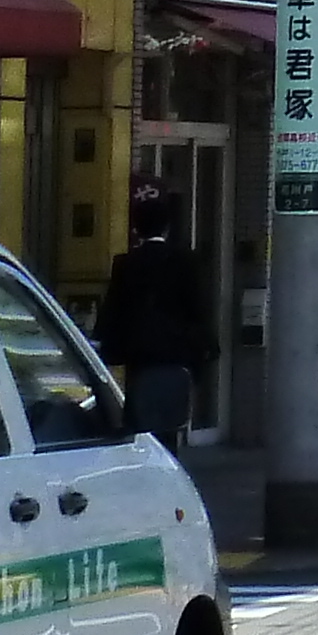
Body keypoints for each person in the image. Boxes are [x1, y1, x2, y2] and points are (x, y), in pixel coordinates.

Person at [96, 189, 214, 456]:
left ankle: (140, 455)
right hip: (176, 353)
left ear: (136, 228)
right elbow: (197, 307)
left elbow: (114, 307)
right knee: (170, 416)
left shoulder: (126, 263)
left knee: (138, 414)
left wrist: (106, 344)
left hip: (139, 353)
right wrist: (205, 347)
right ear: (168, 227)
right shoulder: (185, 262)